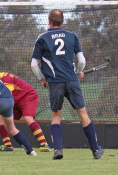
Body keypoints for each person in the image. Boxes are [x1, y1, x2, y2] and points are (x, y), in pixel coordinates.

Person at [31, 9, 104, 159]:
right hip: (72, 81)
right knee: (83, 114)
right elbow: (82, 61)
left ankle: (58, 151)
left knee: (56, 116)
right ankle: (96, 150)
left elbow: (33, 65)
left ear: (49, 21)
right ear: (62, 21)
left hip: (55, 83)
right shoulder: (72, 36)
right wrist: (78, 72)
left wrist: (42, 79)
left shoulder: (42, 38)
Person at [0, 61, 51, 152]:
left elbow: (5, 99)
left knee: (28, 118)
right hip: (14, 100)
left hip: (27, 96)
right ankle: (8, 146)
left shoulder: (4, 77)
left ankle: (44, 144)